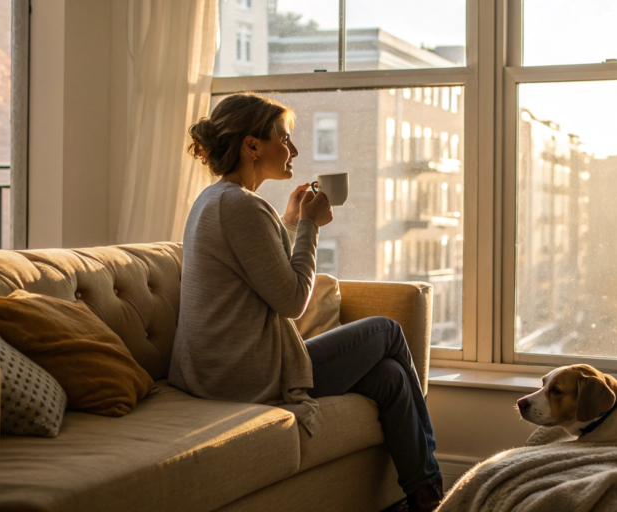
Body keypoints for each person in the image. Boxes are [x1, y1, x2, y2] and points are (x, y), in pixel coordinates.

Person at [168, 92, 443, 511]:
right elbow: (292, 300)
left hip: (221, 369)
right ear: (252, 145)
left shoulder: (217, 199)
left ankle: (424, 495)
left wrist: (290, 221)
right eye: (284, 138)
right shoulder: (240, 205)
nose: (293, 150)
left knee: (388, 376)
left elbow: (255, 266)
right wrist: (310, 227)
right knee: (386, 331)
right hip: (244, 375)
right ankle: (437, 481)